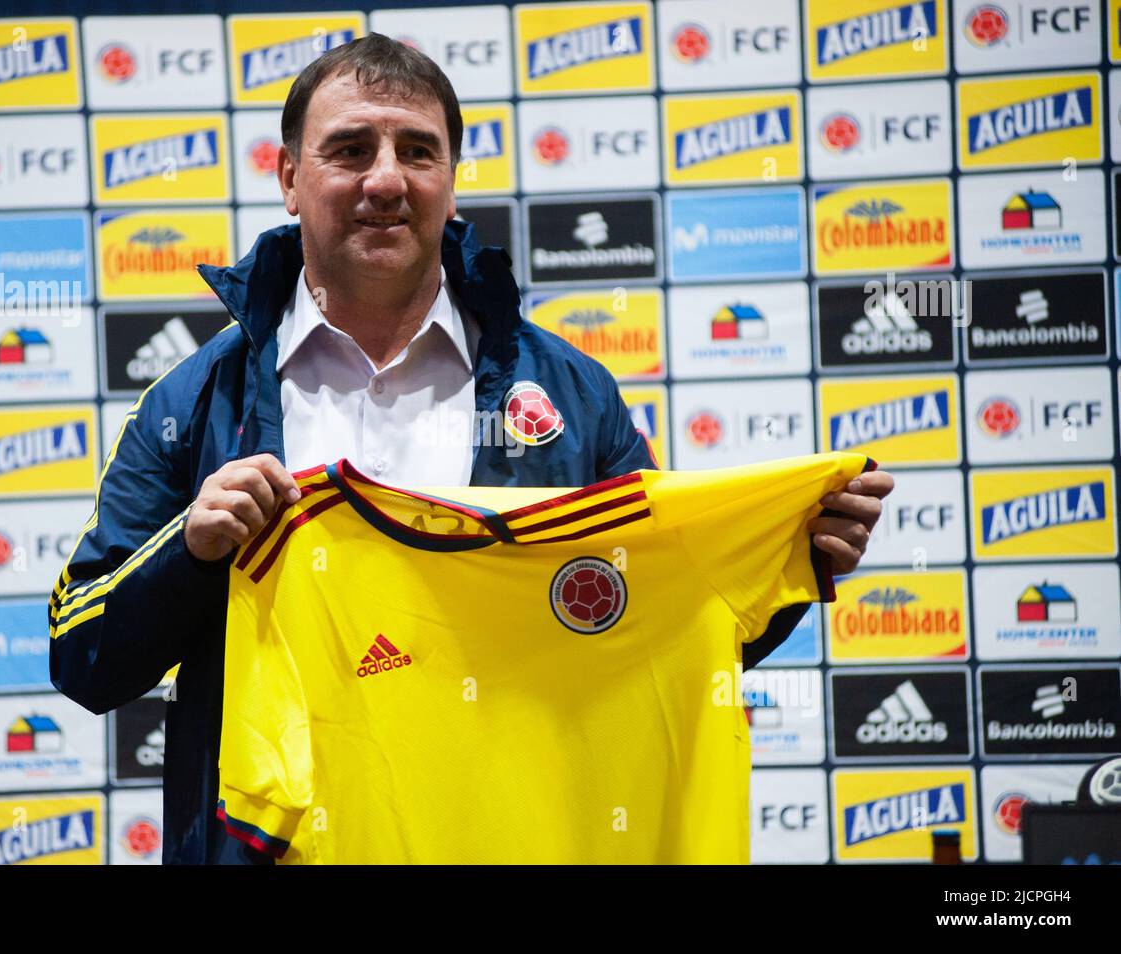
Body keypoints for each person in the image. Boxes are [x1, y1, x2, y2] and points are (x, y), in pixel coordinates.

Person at [49, 34, 895, 865]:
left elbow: (653, 627)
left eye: (418, 151)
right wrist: (190, 553)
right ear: (289, 180)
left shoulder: (573, 395)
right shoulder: (196, 403)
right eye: (349, 150)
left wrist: (792, 558)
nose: (386, 179)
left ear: (451, 184)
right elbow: (81, 658)